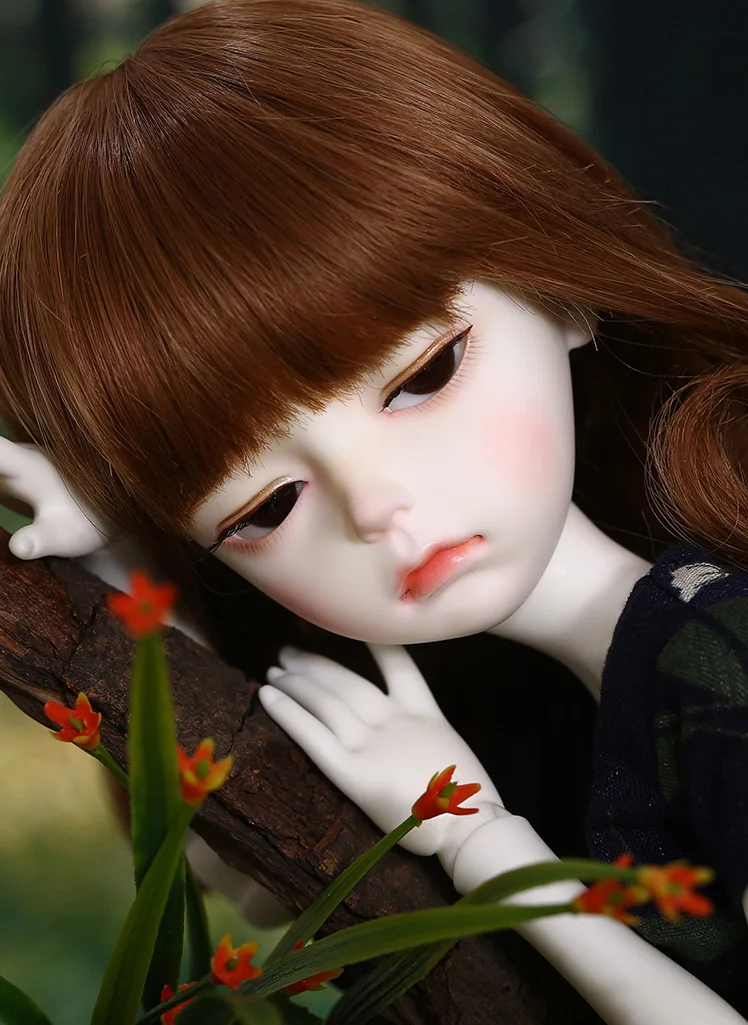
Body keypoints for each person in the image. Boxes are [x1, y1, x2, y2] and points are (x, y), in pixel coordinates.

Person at [1, 1, 747, 1022]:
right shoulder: (475, 696)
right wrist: (123, 560)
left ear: (562, 290)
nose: (377, 506)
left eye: (424, 375)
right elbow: (252, 875)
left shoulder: (718, 651)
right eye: (266, 507)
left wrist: (479, 839)